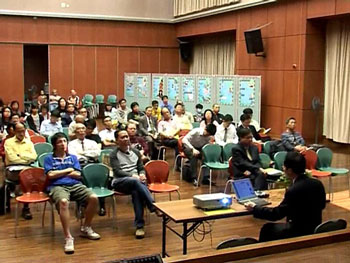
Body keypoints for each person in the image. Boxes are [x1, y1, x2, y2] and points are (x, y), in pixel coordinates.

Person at [245, 151, 326, 242]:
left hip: (299, 231)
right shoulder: (317, 183)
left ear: (290, 170)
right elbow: (323, 205)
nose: (283, 168)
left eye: (284, 166)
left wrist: (255, 208)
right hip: (315, 227)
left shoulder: (294, 190)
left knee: (267, 229)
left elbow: (276, 215)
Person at [44, 132, 100, 254]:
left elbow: (78, 174)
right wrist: (69, 170)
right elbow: (50, 175)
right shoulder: (48, 158)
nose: (63, 144)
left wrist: (60, 172)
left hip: (75, 185)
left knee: (93, 198)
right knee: (63, 202)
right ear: (54, 145)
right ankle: (68, 237)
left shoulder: (73, 157)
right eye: (60, 142)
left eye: (64, 141)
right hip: (57, 186)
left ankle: (86, 227)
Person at [110, 129, 157, 239]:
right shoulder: (113, 154)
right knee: (136, 182)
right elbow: (117, 171)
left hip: (136, 182)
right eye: (122, 137)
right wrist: (133, 176)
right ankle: (153, 205)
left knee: (136, 192)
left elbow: (141, 168)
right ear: (117, 140)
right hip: (120, 182)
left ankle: (139, 226)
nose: (126, 138)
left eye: (126, 136)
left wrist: (142, 174)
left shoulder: (135, 152)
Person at [4, 123, 37, 219]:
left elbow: (34, 157)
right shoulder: (8, 142)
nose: (21, 133)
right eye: (19, 131)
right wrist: (26, 158)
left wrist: (20, 155)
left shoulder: (29, 142)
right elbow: (11, 158)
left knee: (27, 177)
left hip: (26, 168)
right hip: (12, 169)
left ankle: (25, 207)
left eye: (23, 131)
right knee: (26, 178)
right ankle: (23, 202)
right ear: (14, 131)